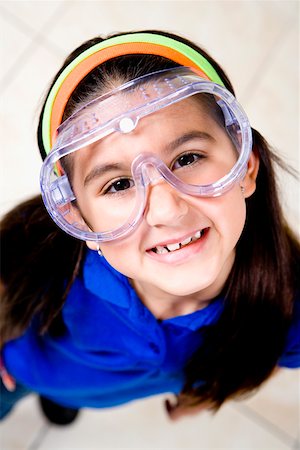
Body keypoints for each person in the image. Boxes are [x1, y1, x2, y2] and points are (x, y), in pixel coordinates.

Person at [1, 30, 299, 425]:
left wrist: (208, 393)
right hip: (17, 371)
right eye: (119, 184)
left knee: (70, 398)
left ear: (245, 165)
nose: (166, 210)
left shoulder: (288, 304)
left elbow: (271, 358)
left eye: (188, 158)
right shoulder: (36, 255)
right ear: (78, 219)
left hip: (102, 391)